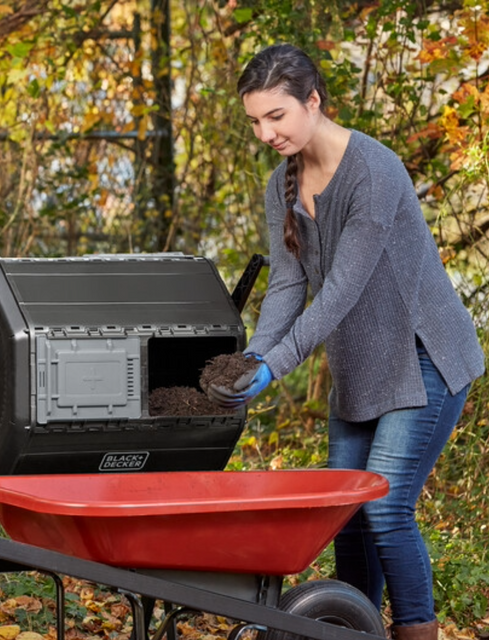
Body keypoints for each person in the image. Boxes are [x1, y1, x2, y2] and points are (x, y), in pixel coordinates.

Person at [206, 43, 485, 640]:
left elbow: (340, 293)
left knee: (384, 509)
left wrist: (276, 366)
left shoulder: (374, 171)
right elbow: (287, 285)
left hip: (424, 358)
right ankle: (355, 630)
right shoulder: (278, 185)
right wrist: (254, 355)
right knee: (345, 516)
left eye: (275, 116)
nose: (265, 133)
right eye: (255, 120)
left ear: (313, 101)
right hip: (361, 366)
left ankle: (414, 632)